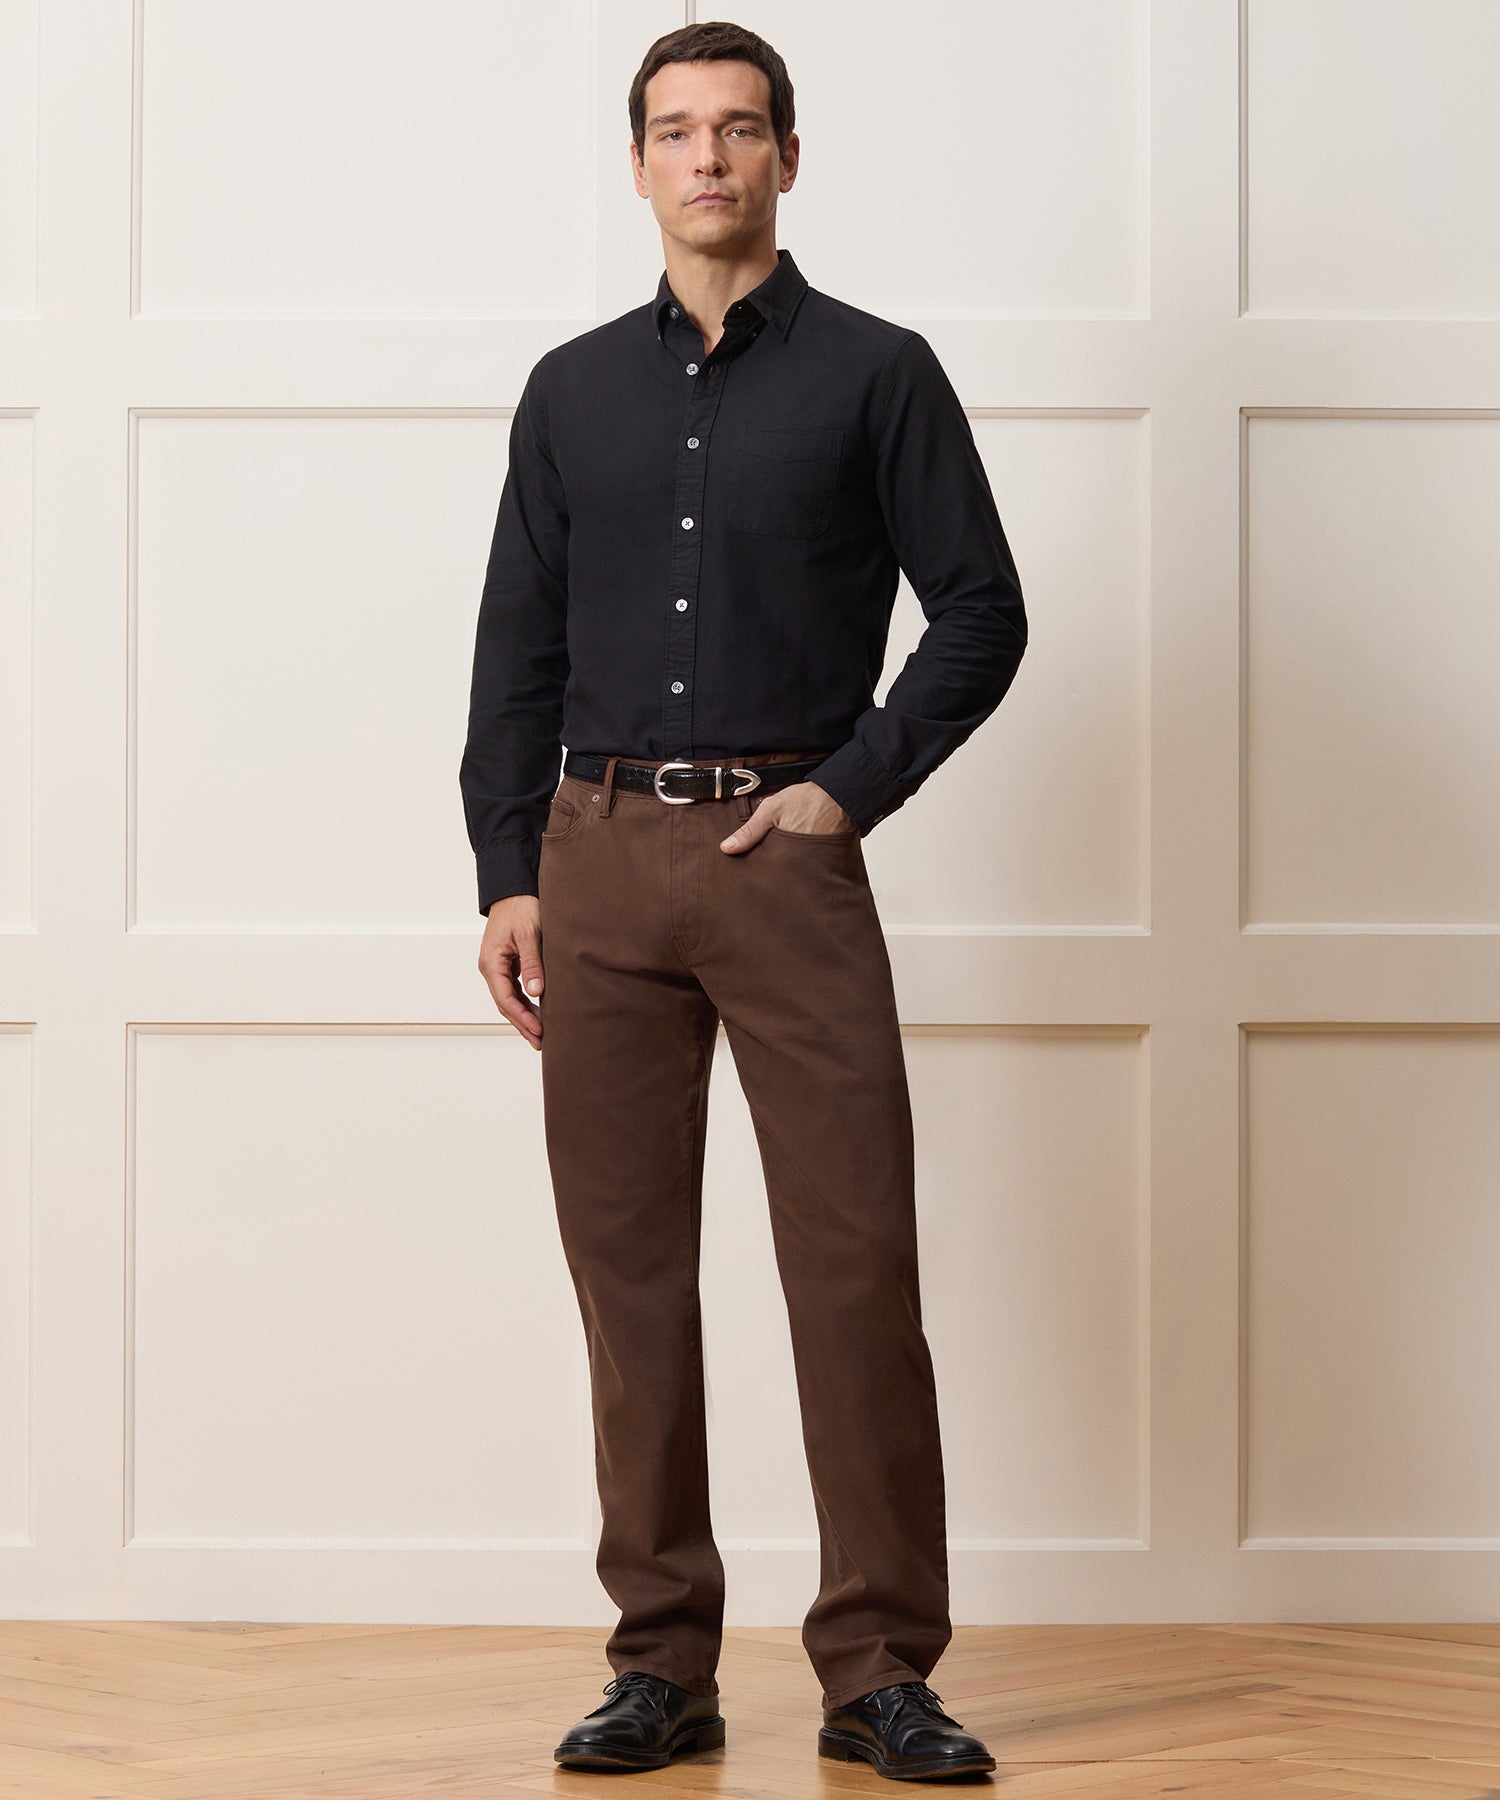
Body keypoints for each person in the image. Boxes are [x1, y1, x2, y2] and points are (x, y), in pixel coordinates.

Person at [459, 18, 1026, 1784]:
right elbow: (516, 647)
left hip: (787, 862)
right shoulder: (570, 393)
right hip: (595, 861)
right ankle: (661, 1664)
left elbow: (983, 610)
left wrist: (848, 786)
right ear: (637, 164)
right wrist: (506, 871)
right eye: (677, 130)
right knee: (628, 1281)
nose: (708, 157)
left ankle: (878, 1671)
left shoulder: (879, 374)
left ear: (788, 154)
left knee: (853, 1270)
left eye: (740, 128)